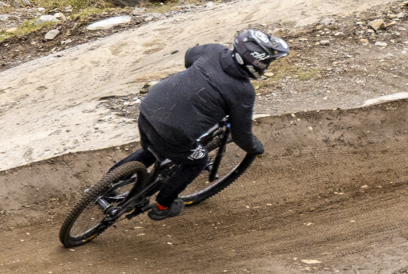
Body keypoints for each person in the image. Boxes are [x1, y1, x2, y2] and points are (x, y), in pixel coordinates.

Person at [110, 28, 288, 220]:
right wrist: (254, 148)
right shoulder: (243, 91)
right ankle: (162, 205)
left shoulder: (214, 50)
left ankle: (107, 186)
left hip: (149, 108)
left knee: (153, 150)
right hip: (173, 132)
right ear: (257, 63)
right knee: (198, 160)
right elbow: (240, 135)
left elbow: (189, 57)